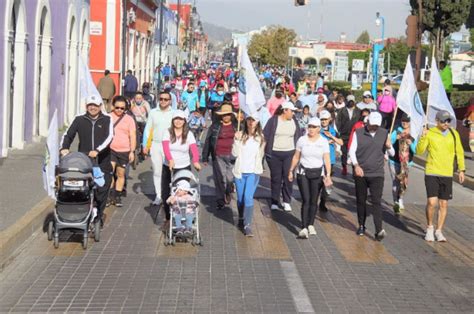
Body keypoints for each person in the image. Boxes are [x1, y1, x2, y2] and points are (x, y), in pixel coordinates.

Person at [60, 95, 113, 227]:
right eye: (90, 105)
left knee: (102, 190)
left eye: (95, 105)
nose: (92, 107)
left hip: (102, 160)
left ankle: (99, 215)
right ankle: (82, 213)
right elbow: (68, 134)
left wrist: (98, 150)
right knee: (83, 188)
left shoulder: (107, 119)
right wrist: (64, 148)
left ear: (100, 106)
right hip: (84, 161)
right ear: (86, 106)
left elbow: (110, 137)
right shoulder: (79, 119)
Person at [416, 110, 465, 242]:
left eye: (448, 121)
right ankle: (430, 228)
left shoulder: (454, 134)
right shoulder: (430, 133)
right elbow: (419, 151)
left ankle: (439, 231)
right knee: (432, 202)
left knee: (444, 204)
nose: (446, 123)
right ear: (437, 121)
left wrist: (461, 169)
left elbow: (459, 152)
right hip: (432, 172)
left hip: (447, 173)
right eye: (443, 121)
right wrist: (423, 136)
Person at [349, 112, 394, 241]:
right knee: (361, 200)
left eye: (376, 126)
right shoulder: (358, 133)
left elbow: (392, 153)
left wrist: (389, 146)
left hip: (377, 173)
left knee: (376, 201)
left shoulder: (385, 133)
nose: (374, 127)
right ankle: (361, 225)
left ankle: (378, 229)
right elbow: (352, 150)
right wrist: (356, 165)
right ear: (367, 122)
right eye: (372, 125)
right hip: (361, 172)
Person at [288, 117, 332, 239]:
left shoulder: (323, 141)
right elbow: (296, 156)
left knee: (314, 200)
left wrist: (328, 175)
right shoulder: (302, 140)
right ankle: (303, 227)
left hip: (318, 173)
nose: (311, 129)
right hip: (303, 173)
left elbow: (326, 158)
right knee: (306, 200)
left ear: (319, 129)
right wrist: (291, 170)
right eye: (310, 126)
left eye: (314, 127)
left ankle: (311, 224)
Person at [162, 110, 201, 226]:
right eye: (176, 119)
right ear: (173, 120)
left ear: (184, 121)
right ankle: (169, 217)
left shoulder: (188, 134)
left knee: (183, 193)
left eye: (181, 119)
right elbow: (165, 147)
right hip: (169, 166)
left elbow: (193, 148)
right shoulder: (167, 132)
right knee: (167, 192)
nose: (178, 121)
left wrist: (195, 161)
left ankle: (184, 216)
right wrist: (170, 159)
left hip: (184, 167)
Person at [263, 102, 302, 211]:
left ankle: (286, 201)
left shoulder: (294, 121)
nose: (293, 113)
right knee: (276, 178)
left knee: (288, 177)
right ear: (285, 110)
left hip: (289, 154)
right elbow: (265, 135)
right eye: (291, 111)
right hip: (274, 154)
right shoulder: (273, 121)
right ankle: (275, 201)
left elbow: (298, 136)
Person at [232, 115, 266, 237]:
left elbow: (261, 156)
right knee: (240, 198)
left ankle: (248, 225)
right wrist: (236, 140)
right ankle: (241, 217)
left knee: (248, 197)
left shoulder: (260, 138)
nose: (251, 122)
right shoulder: (240, 135)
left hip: (253, 172)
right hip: (240, 172)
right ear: (245, 121)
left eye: (254, 120)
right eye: (249, 120)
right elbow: (234, 153)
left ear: (257, 122)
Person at [202, 103, 237, 210]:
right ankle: (220, 200)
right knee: (220, 179)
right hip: (218, 155)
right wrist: (205, 156)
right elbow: (208, 140)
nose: (226, 116)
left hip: (233, 156)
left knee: (230, 178)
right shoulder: (215, 126)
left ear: (231, 115)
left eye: (228, 114)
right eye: (224, 114)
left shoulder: (237, 126)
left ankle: (228, 191)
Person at [143, 91, 175, 206]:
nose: (163, 101)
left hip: (170, 145)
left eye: (166, 99)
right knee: (157, 171)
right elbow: (148, 129)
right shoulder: (153, 113)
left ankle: (171, 193)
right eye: (161, 99)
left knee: (171, 171)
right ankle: (158, 195)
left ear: (170, 101)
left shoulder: (174, 113)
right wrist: (146, 145)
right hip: (156, 145)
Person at [108, 96, 136, 207]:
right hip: (110, 149)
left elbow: (132, 135)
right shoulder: (108, 117)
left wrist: (132, 151)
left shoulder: (129, 119)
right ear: (113, 106)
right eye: (117, 107)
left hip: (124, 150)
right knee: (109, 172)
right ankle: (109, 195)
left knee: (120, 173)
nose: (119, 110)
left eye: (122, 108)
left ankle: (117, 196)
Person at [389, 114, 417, 214]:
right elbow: (388, 143)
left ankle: (400, 197)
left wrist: (411, 143)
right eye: (403, 121)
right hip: (394, 161)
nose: (404, 123)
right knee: (395, 182)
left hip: (406, 163)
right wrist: (395, 138)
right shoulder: (396, 130)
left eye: (407, 121)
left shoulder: (413, 133)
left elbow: (416, 150)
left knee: (404, 182)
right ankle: (396, 202)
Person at [318, 110, 343, 212]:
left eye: (325, 119)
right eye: (322, 119)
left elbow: (341, 142)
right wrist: (326, 142)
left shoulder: (333, 131)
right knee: (318, 183)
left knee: (326, 183)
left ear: (329, 120)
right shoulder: (317, 130)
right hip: (318, 160)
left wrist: (332, 137)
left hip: (330, 161)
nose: (323, 121)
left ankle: (323, 202)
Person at [336, 95, 361, 175]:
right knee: (344, 152)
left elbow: (360, 122)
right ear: (346, 101)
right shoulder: (341, 110)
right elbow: (337, 121)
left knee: (354, 152)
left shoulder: (358, 111)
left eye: (352, 100)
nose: (350, 102)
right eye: (349, 100)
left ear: (354, 101)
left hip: (354, 134)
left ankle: (354, 169)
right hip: (344, 135)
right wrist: (340, 131)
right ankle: (344, 167)